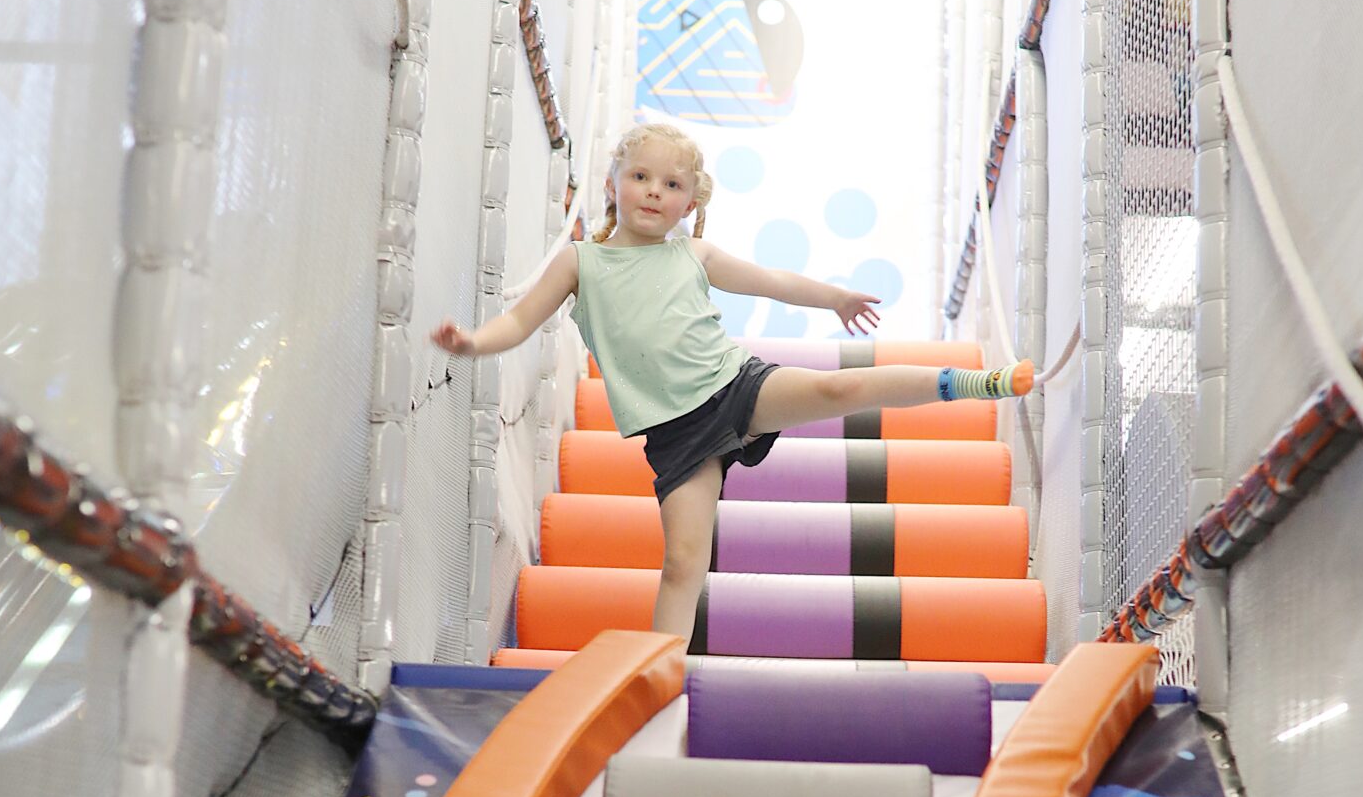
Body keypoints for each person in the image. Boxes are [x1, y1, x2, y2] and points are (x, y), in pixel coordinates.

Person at [431, 118, 1031, 645]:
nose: (654, 192)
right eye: (641, 176)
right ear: (613, 179)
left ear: (689, 203)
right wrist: (474, 343)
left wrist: (835, 299)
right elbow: (518, 320)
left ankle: (970, 384)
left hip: (733, 387)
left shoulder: (694, 255)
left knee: (838, 390)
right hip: (677, 434)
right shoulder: (580, 262)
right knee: (683, 563)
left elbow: (770, 281)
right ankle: (657, 676)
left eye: (672, 185)